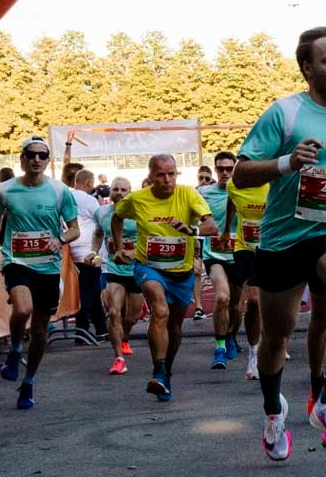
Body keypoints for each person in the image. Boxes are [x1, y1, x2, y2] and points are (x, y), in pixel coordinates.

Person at [233, 26, 326, 460]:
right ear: (306, 68)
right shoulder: (284, 113)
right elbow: (240, 175)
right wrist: (287, 162)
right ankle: (272, 411)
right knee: (277, 336)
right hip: (284, 236)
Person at [110, 153, 217, 403]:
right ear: (150, 176)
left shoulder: (188, 194)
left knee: (175, 326)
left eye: (171, 174)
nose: (167, 180)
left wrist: (192, 229)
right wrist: (118, 247)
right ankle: (157, 371)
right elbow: (117, 216)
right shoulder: (137, 199)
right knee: (159, 310)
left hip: (181, 272)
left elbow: (212, 227)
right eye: (161, 175)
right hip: (149, 267)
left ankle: (166, 373)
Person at [0, 137, 80, 409]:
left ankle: (28, 382)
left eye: (42, 155)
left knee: (39, 331)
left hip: (47, 266)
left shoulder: (60, 191)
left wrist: (60, 240)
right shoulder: (5, 190)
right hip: (17, 261)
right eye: (31, 155)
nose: (37, 159)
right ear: (22, 159)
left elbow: (75, 229)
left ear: (48, 161)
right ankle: (15, 350)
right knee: (23, 309)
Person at [198, 151, 247, 370]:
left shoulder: (245, 191)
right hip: (214, 254)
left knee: (236, 305)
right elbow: (194, 219)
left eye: (229, 168)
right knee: (222, 297)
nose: (225, 173)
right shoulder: (204, 193)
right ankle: (219, 347)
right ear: (215, 170)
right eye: (220, 169)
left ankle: (231, 337)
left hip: (239, 253)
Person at [224, 161, 269, 381]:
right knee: (254, 300)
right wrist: (226, 229)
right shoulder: (234, 185)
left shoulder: (274, 184)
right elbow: (231, 203)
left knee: (275, 304)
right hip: (246, 249)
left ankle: (274, 343)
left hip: (273, 248)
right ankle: (254, 354)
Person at [91, 177, 141, 374]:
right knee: (113, 312)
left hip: (136, 268)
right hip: (113, 268)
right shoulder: (101, 212)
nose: (119, 193)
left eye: (123, 190)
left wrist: (135, 252)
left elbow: (150, 237)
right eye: (115, 189)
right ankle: (119, 358)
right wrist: (94, 252)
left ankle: (125, 337)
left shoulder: (139, 211)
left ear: (130, 192)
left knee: (132, 317)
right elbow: (98, 233)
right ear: (110, 191)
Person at [67, 168, 107, 341]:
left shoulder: (66, 197)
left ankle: (96, 329)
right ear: (89, 183)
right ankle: (85, 330)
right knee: (90, 293)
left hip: (71, 251)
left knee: (86, 292)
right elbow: (101, 222)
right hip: (89, 251)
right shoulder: (90, 200)